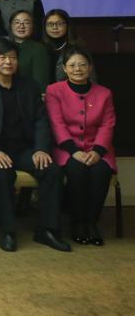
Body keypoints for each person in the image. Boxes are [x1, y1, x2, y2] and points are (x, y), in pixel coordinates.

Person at [0, 38, 70, 252]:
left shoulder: (29, 86)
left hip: (25, 149)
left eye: (12, 58)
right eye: (2, 57)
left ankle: (47, 230)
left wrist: (40, 149)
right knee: (1, 174)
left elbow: (41, 120)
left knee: (51, 170)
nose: (8, 62)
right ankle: (8, 231)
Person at [45, 47, 115, 246]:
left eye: (83, 64)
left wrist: (98, 151)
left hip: (98, 148)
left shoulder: (104, 93)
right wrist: (74, 151)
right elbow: (56, 124)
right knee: (77, 171)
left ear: (90, 67)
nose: (78, 69)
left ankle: (91, 222)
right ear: (64, 68)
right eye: (72, 65)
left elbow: (107, 124)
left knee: (101, 171)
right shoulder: (54, 91)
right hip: (66, 148)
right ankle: (77, 222)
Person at [8, 10, 52, 90]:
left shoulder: (39, 49)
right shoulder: (5, 45)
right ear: (11, 26)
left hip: (29, 94)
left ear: (33, 26)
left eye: (27, 23)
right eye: (17, 22)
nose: (21, 26)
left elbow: (41, 82)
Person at [44, 9, 87, 81]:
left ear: (68, 25)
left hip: (69, 87)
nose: (55, 27)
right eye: (50, 24)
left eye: (59, 24)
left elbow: (89, 75)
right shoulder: (40, 47)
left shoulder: (78, 47)